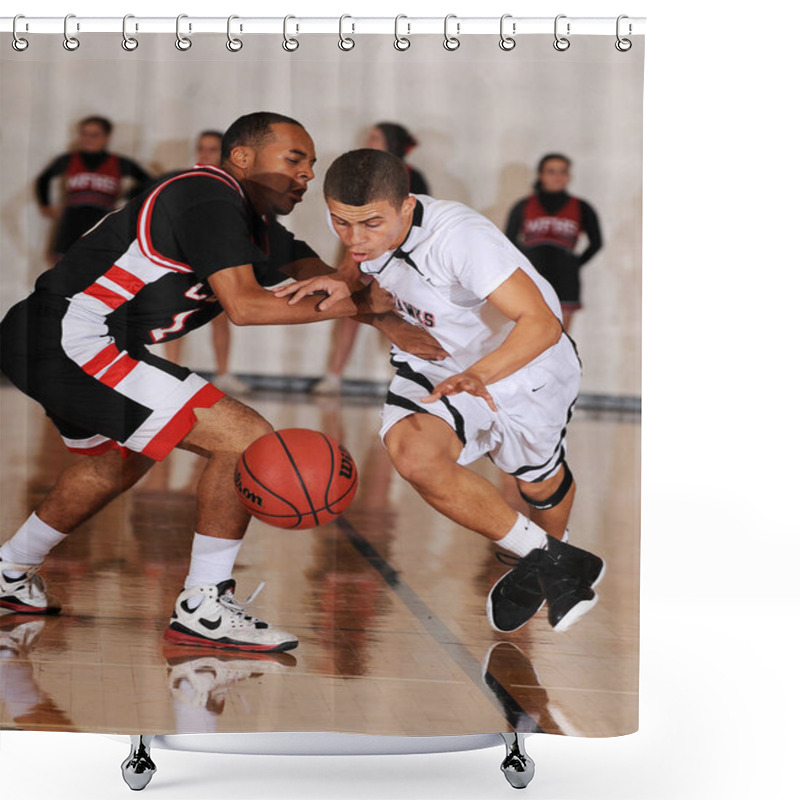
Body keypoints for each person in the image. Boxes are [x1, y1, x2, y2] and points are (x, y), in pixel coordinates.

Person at [0, 113, 445, 653]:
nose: (306, 175)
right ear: (241, 158)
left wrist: (385, 315)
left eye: (311, 165)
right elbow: (245, 307)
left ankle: (8, 573)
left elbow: (316, 279)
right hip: (71, 336)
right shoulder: (206, 197)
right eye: (294, 159)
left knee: (115, 461)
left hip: (55, 337)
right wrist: (360, 303)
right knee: (246, 440)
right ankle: (202, 604)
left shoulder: (250, 221)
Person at [278, 149, 604, 634]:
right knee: (412, 454)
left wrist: (481, 375)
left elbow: (542, 325)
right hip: (435, 362)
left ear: (407, 207)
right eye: (341, 223)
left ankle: (547, 558)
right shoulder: (363, 230)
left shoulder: (460, 238)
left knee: (536, 482)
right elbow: (361, 273)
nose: (354, 238)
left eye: (369, 224)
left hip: (523, 363)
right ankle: (548, 559)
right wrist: (369, 305)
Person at [312, 122, 430, 395]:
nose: (368, 139)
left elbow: (419, 224)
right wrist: (347, 264)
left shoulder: (414, 177)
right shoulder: (358, 176)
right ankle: (334, 376)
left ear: (392, 143)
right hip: (362, 254)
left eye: (375, 137)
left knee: (401, 315)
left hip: (397, 258)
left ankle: (406, 379)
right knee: (350, 310)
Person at [163, 130, 251, 395]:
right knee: (177, 315)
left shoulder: (235, 187)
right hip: (185, 259)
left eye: (212, 149)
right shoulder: (184, 183)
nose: (205, 154)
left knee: (220, 316)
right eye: (201, 148)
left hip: (218, 260)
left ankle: (223, 373)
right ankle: (170, 371)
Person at [504, 154, 602, 333]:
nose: (557, 176)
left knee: (560, 336)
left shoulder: (581, 207)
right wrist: (525, 265)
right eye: (551, 171)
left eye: (563, 172)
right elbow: (508, 241)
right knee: (526, 335)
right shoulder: (524, 205)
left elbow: (597, 243)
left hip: (565, 280)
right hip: (532, 278)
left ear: (569, 176)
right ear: (541, 175)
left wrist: (574, 264)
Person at [35, 115, 151, 266]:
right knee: (64, 270)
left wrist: (127, 198)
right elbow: (43, 179)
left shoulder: (118, 162)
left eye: (94, 135)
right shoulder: (69, 160)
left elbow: (148, 181)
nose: (88, 139)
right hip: (71, 224)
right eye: (84, 134)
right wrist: (46, 205)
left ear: (107, 137)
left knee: (100, 270)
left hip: (103, 223)